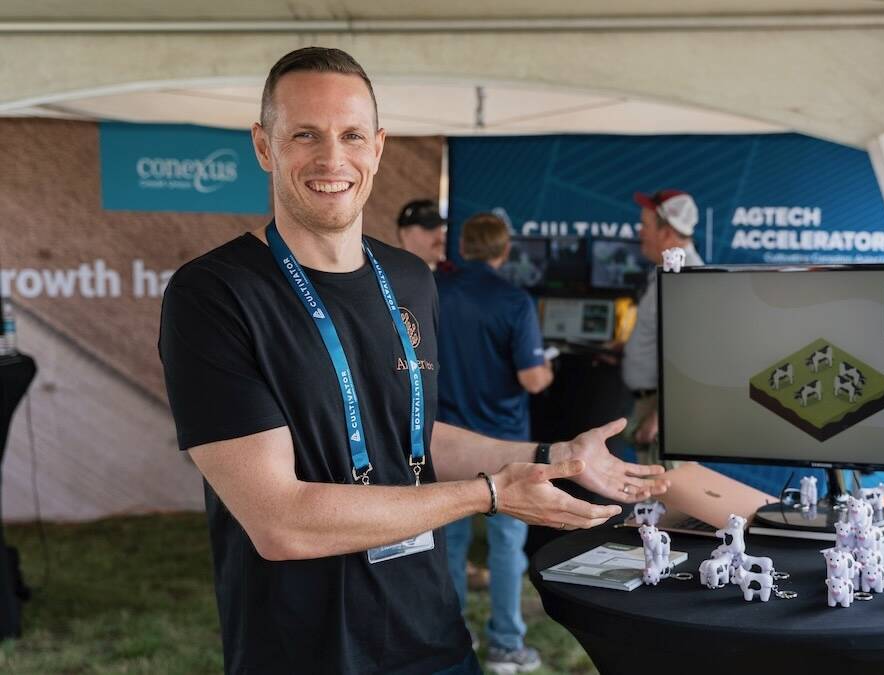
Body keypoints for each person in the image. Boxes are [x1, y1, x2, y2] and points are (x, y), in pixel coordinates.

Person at [157, 46, 666, 675]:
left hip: (433, 637)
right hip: (303, 652)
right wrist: (486, 495)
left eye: (351, 135)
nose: (331, 158)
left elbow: (412, 436)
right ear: (264, 145)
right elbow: (280, 521)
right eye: (305, 135)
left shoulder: (410, 278)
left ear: (378, 146)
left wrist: (548, 457)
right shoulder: (214, 293)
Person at [436, 213, 554, 673]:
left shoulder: (433, 291)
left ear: (463, 248)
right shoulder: (514, 300)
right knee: (507, 545)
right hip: (505, 446)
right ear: (505, 251)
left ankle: (451, 638)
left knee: (449, 543)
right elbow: (532, 377)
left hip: (445, 441)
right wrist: (548, 368)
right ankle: (506, 645)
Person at [623, 190, 705, 460]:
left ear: (668, 232)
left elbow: (692, 359)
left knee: (663, 498)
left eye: (645, 225)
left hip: (666, 415)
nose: (640, 232)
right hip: (654, 406)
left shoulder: (685, 280)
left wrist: (660, 419)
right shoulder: (665, 272)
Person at [396, 198, 448, 270]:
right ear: (405, 233)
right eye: (430, 228)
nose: (441, 237)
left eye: (441, 229)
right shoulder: (385, 274)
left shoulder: (454, 277)